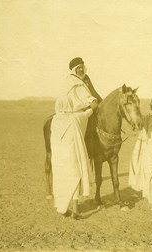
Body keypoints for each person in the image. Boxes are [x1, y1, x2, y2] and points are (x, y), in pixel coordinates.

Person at [50, 57, 99, 219]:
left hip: (63, 132)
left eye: (81, 67)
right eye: (77, 67)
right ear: (73, 70)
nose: (80, 69)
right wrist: (92, 106)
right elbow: (87, 103)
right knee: (76, 168)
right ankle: (76, 209)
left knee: (62, 172)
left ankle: (63, 205)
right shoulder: (75, 83)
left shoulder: (56, 119)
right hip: (76, 119)